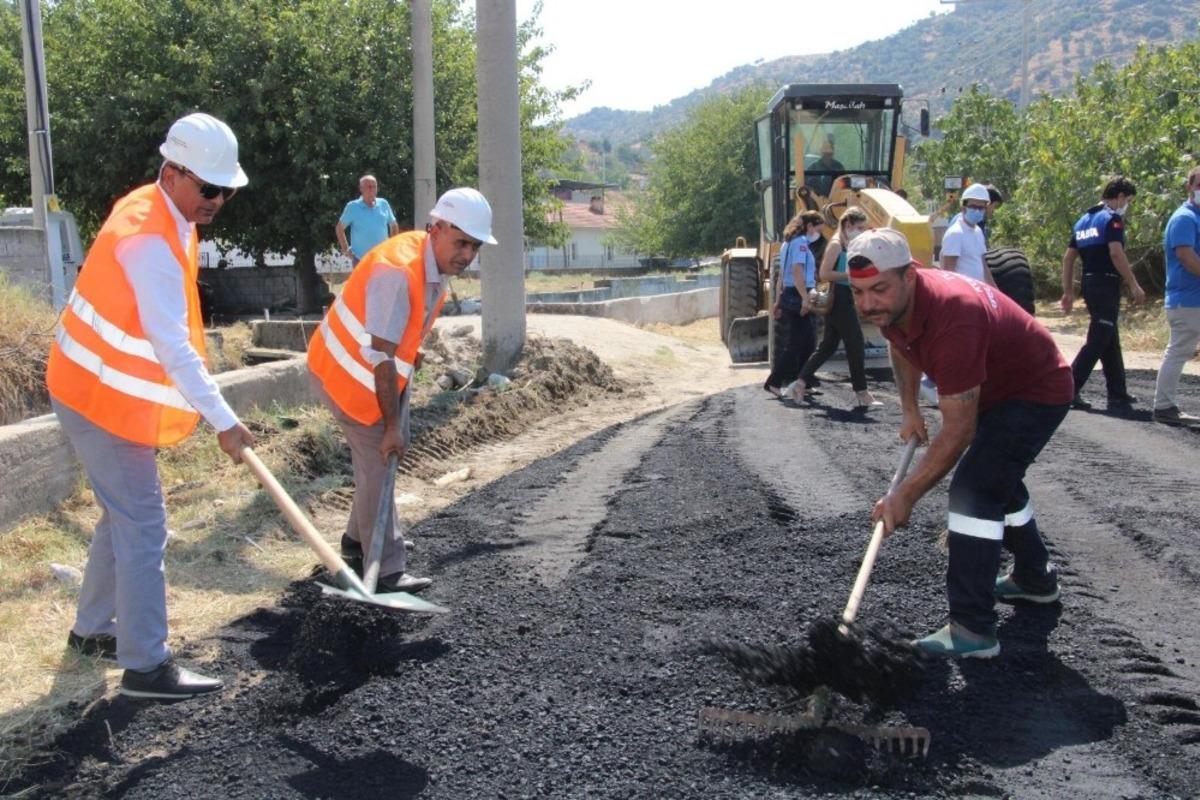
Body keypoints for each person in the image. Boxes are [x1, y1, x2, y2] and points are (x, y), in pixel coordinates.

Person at [46, 113, 254, 699]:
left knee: (122, 513)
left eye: (226, 190)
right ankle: (146, 665)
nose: (217, 200)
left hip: (99, 389)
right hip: (96, 396)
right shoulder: (149, 240)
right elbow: (173, 346)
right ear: (172, 173)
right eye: (208, 188)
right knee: (143, 520)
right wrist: (225, 421)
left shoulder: (167, 213)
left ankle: (93, 630)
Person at [849, 228, 1073, 659]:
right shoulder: (896, 307)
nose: (868, 303)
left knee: (973, 489)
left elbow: (958, 431)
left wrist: (904, 495)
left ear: (910, 275)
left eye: (878, 289)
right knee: (998, 479)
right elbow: (901, 345)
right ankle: (1034, 578)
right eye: (858, 292)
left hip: (1036, 390)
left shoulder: (954, 316)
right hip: (996, 387)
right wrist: (909, 409)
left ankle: (972, 629)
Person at [308, 187, 496, 593]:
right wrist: (390, 427)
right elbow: (380, 355)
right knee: (381, 459)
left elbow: (397, 329)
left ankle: (356, 542)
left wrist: (412, 350)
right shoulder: (397, 271)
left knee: (384, 455)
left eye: (475, 246)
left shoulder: (430, 260)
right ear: (436, 229)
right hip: (349, 375)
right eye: (461, 242)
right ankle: (387, 570)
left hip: (375, 368)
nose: (467, 254)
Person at [1061, 176, 1145, 413]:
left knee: (1110, 339)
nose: (1127, 205)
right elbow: (1116, 253)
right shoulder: (1112, 219)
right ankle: (1068, 387)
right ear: (1120, 197)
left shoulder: (1084, 221)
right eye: (1128, 201)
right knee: (1099, 339)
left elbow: (1068, 258)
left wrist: (1068, 291)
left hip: (1090, 284)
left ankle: (1117, 393)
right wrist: (1134, 283)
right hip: (1106, 284)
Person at [795, 207, 880, 409]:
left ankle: (800, 383)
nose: (861, 231)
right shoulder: (835, 244)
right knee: (856, 343)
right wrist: (849, 276)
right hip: (839, 299)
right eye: (859, 227)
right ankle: (861, 392)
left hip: (844, 297)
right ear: (848, 224)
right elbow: (824, 273)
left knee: (829, 345)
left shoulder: (847, 243)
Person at [1152, 166, 1200, 427]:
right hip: (1188, 301)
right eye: (1199, 185)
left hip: (1193, 300)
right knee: (1179, 351)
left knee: (1179, 351)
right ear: (1189, 187)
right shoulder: (1185, 218)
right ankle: (1164, 406)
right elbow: (1185, 255)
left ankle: (1164, 405)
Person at [763, 211, 819, 398]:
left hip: (789, 293)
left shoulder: (787, 243)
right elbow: (797, 271)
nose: (818, 233)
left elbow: (781, 276)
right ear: (810, 226)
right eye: (818, 228)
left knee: (808, 342)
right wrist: (805, 298)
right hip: (798, 294)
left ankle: (805, 382)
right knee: (797, 343)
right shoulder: (801, 243)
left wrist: (778, 301)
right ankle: (774, 382)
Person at [939, 183, 996, 287]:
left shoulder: (978, 232)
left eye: (981, 207)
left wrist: (996, 292)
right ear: (963, 208)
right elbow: (948, 274)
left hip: (978, 292)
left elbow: (984, 267)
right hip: (962, 293)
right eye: (973, 206)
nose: (977, 211)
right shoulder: (955, 234)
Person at [336, 174, 400, 265]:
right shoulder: (352, 207)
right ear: (361, 189)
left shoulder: (383, 204)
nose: (372, 189)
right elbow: (339, 228)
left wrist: (392, 245)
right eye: (369, 187)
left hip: (382, 259)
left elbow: (394, 225)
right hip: (361, 259)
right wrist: (345, 249)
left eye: (374, 186)